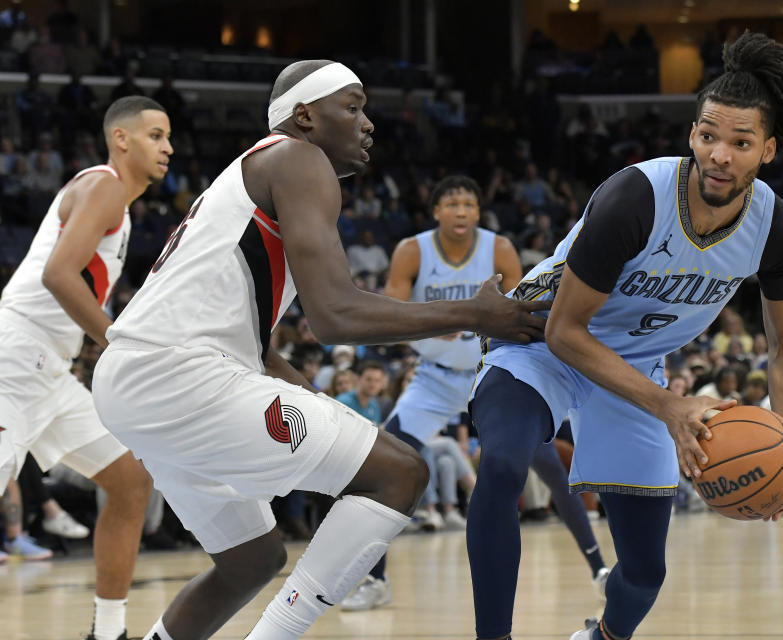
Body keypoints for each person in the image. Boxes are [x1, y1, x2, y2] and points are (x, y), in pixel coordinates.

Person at [90, 59, 548, 640]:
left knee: (251, 561)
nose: (368, 124)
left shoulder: (251, 174)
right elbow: (334, 316)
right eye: (353, 107)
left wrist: (330, 412)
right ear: (305, 116)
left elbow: (255, 347)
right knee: (400, 474)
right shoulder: (297, 158)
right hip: (182, 378)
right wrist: (476, 314)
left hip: (136, 383)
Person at [467, 32, 783, 640]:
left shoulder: (775, 227)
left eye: (740, 143)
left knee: (644, 572)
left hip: (634, 367)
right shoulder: (636, 196)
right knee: (502, 466)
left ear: (766, 151)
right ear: (692, 135)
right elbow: (565, 330)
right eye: (708, 136)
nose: (720, 154)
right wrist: (671, 407)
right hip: (538, 342)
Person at [341, 175, 609, 612]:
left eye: (469, 203)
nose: (461, 211)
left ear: (478, 213)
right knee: (380, 467)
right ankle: (375, 580)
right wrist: (445, 317)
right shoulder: (413, 250)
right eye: (452, 203)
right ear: (436, 212)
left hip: (494, 372)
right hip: (434, 378)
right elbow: (391, 313)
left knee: (551, 470)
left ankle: (599, 568)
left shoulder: (498, 248)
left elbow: (527, 305)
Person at [0, 96, 170, 640]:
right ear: (121, 139)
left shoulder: (115, 203)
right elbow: (58, 274)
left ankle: (109, 632)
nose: (167, 147)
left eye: (168, 137)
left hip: (50, 369)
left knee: (129, 482)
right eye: (155, 135)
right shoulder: (104, 187)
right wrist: (114, 340)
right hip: (16, 356)